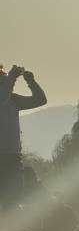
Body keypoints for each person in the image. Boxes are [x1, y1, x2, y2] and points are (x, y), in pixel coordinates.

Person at [2, 64, 48, 213]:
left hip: (12, 157)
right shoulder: (5, 96)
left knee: (13, 200)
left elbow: (40, 100)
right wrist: (12, 77)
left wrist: (31, 81)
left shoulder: (13, 100)